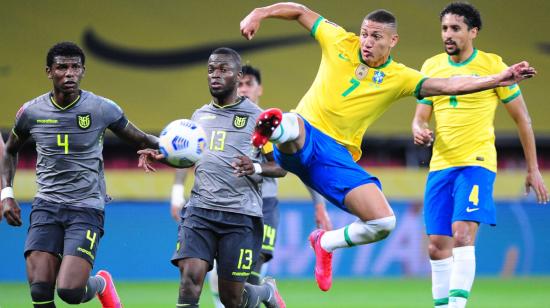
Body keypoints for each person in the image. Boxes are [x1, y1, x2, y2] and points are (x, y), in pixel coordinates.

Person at [239, 2, 537, 292]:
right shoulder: (340, 40)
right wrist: (260, 12)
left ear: (393, 41)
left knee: (383, 222)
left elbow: (449, 86)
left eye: (376, 37)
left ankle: (325, 242)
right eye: (365, 33)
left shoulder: (400, 77)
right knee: (294, 124)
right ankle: (274, 129)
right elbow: (300, 11)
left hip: (336, 158)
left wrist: (500, 78)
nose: (366, 41)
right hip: (305, 136)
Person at [0, 42, 160, 308]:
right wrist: (6, 194)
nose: (69, 73)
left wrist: (173, 148)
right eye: (62, 67)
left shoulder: (101, 108)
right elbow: (10, 150)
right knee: (40, 290)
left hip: (86, 208)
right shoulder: (31, 112)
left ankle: (102, 283)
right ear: (49, 71)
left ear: (83, 71)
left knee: (70, 292)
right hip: (46, 206)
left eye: (75, 67)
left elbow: (141, 138)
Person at [411, 3, 549, 308]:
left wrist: (533, 168)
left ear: (473, 32)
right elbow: (421, 115)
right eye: (445, 28)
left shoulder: (494, 67)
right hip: (440, 165)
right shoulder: (431, 66)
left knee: (461, 235)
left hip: (477, 164)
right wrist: (418, 127)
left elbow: (523, 119)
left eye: (455, 29)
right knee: (436, 246)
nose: (448, 35)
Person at [139, 48, 286, 308]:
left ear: (237, 76)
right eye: (211, 70)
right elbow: (189, 157)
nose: (215, 75)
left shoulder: (257, 119)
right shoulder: (198, 117)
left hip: (240, 215)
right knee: (189, 280)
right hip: (200, 212)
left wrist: (256, 167)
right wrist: (165, 154)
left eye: (223, 70)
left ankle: (264, 293)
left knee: (233, 299)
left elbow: (280, 167)